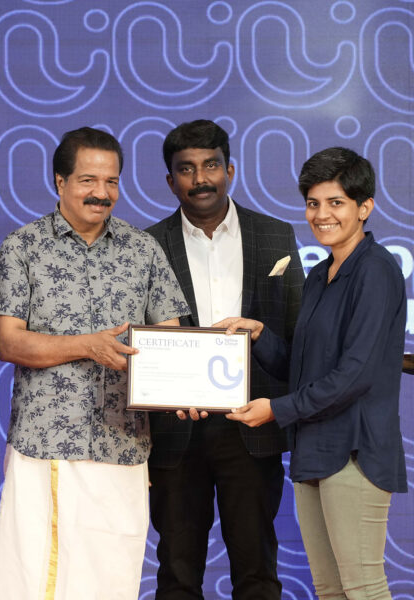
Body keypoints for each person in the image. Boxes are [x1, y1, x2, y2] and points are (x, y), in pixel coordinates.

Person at [0, 126, 190, 600]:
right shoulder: (24, 247)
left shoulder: (143, 250)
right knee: (38, 580)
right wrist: (87, 346)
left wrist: (185, 389)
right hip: (48, 444)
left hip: (124, 443)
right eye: (88, 180)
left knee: (114, 578)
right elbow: (9, 343)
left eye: (111, 181)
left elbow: (172, 341)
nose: (102, 193)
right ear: (60, 182)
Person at [223, 147, 407, 599]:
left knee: (363, 588)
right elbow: (304, 369)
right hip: (313, 451)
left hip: (354, 451)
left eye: (336, 202)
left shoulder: (376, 270)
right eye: (313, 203)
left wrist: (276, 410)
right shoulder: (319, 274)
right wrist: (259, 335)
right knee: (329, 589)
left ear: (364, 207)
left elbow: (356, 374)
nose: (321, 215)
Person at [146, 119, 305, 600]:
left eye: (211, 165)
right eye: (186, 169)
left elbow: (297, 341)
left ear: (230, 170)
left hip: (252, 426)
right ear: (170, 180)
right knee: (177, 575)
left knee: (257, 573)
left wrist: (262, 341)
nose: (201, 179)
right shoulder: (146, 245)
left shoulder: (275, 236)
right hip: (176, 430)